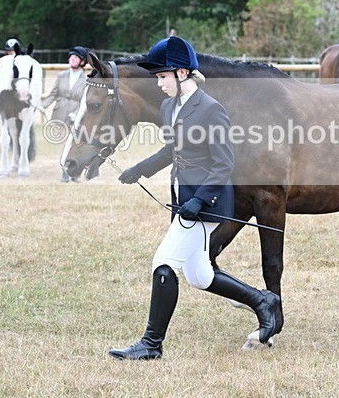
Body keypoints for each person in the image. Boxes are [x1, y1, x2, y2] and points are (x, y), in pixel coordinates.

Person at [111, 35, 282, 360]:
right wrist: (141, 168)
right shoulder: (169, 106)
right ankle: (264, 301)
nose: (158, 83)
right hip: (185, 198)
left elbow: (224, 164)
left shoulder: (211, 110)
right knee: (200, 275)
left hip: (207, 204)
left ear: (181, 73)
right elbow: (173, 149)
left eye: (162, 76)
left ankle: (151, 344)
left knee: (163, 263)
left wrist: (199, 201)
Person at [38, 46, 88, 182]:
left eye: (76, 57)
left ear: (82, 62)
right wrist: (43, 106)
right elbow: (53, 93)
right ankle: (65, 171)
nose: (72, 58)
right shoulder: (61, 76)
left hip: (76, 118)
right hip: (60, 114)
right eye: (71, 56)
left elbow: (84, 101)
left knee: (75, 145)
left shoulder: (86, 80)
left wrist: (76, 114)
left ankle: (73, 171)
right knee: (65, 144)